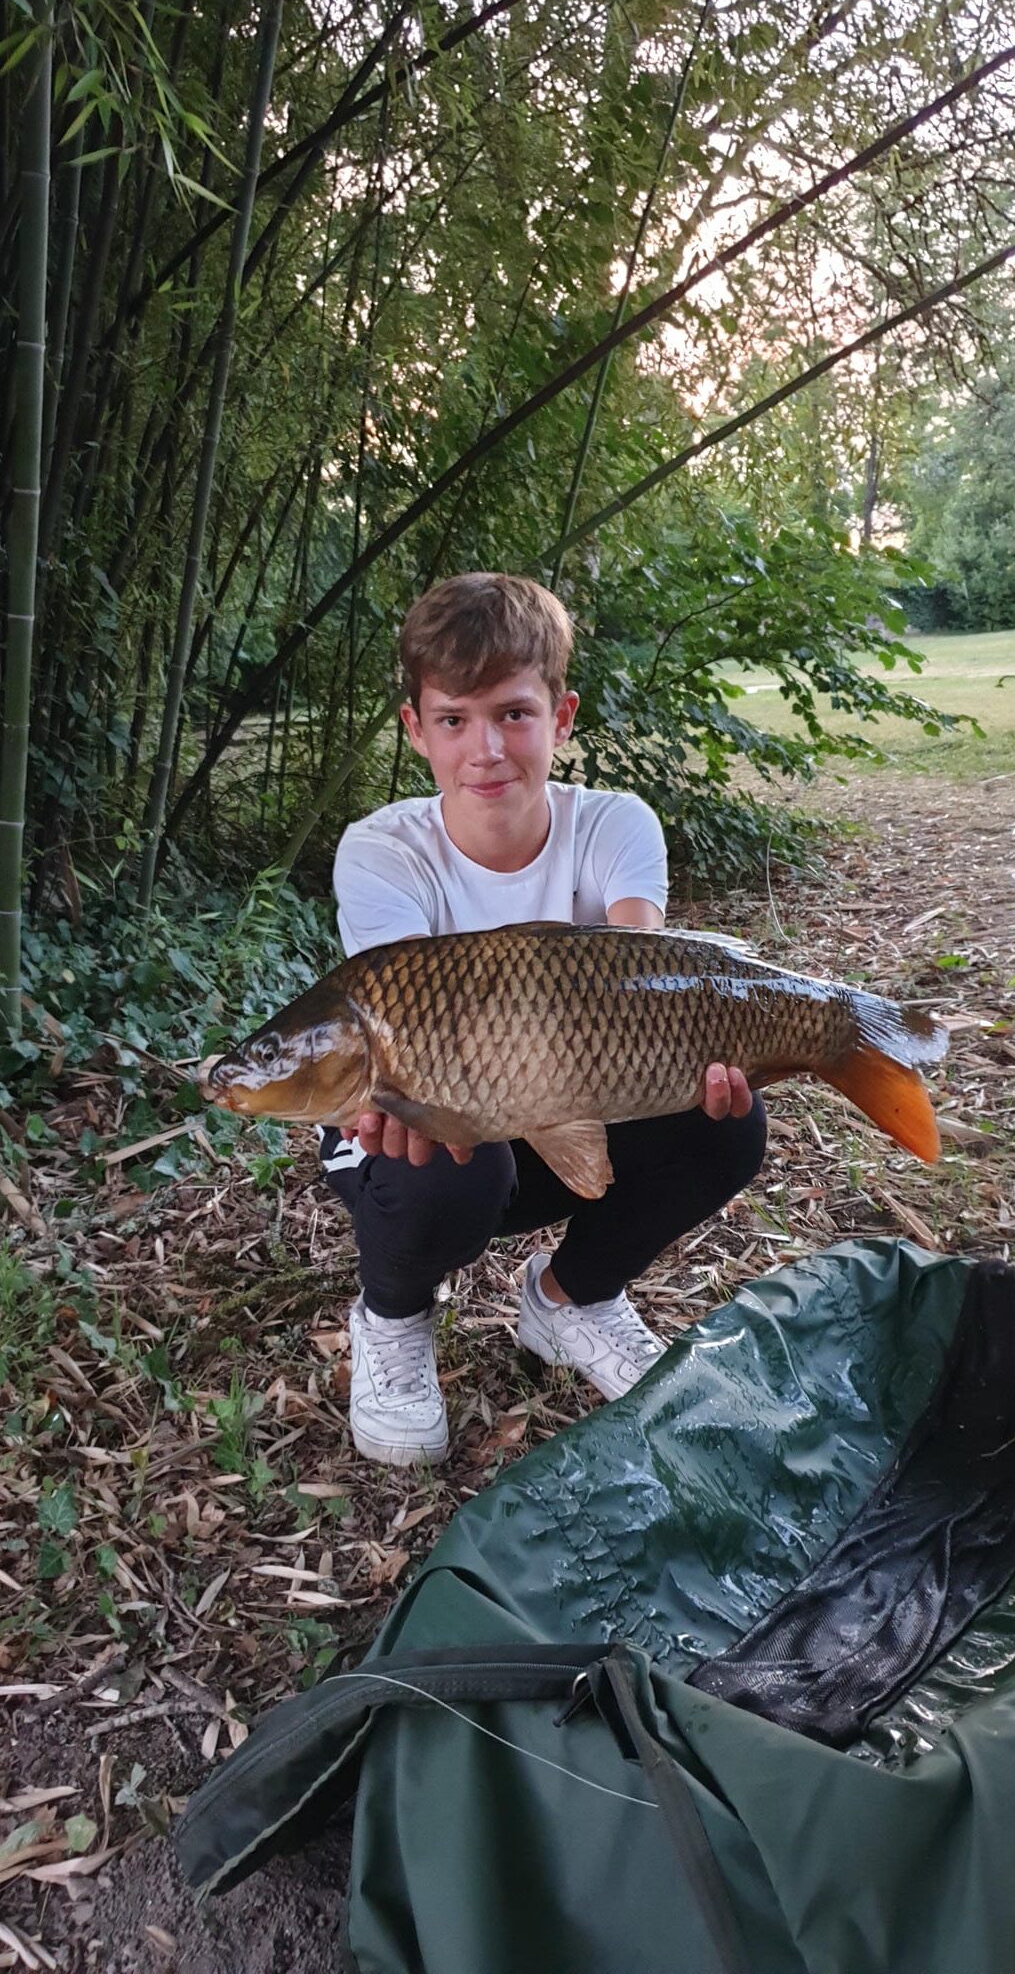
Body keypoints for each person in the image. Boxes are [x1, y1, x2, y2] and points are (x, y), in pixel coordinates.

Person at [321, 573, 767, 1465]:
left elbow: (642, 985)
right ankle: (394, 1320)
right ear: (417, 730)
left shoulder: (614, 825)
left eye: (514, 714)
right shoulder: (381, 851)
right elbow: (407, 1022)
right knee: (443, 1146)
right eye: (454, 719)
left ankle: (569, 1301)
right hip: (433, 1128)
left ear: (561, 717)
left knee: (729, 1127)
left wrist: (703, 1060)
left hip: (571, 1095)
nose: (486, 748)